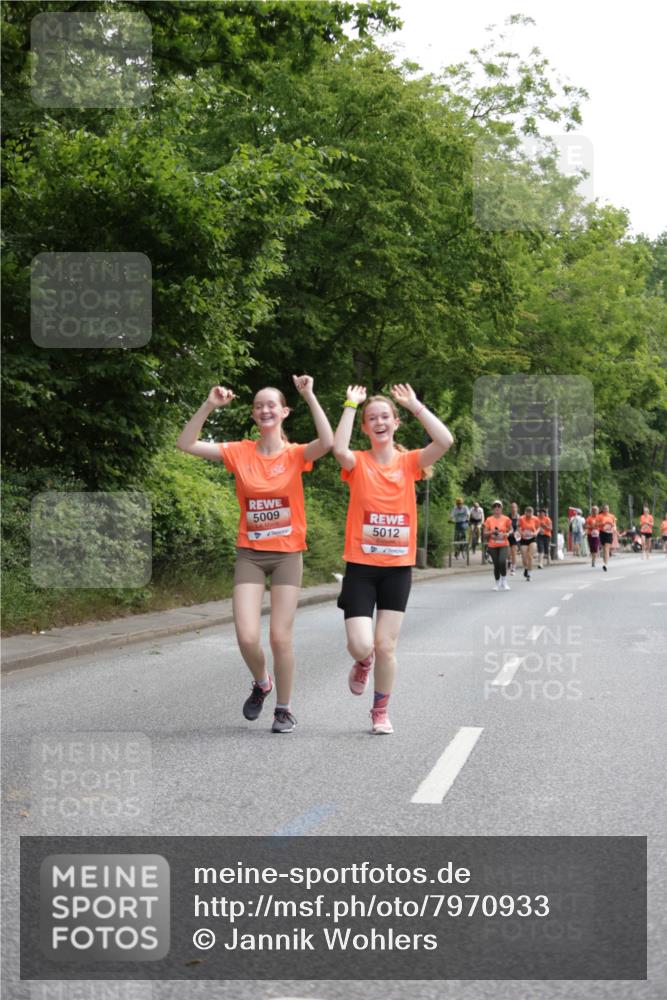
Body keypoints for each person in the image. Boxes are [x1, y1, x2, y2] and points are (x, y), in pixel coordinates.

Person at [176, 376, 333, 733]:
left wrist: (309, 394)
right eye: (259, 405)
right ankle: (262, 683)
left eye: (272, 405)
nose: (265, 410)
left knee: (280, 637)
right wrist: (209, 404)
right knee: (247, 636)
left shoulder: (294, 455)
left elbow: (327, 442)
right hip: (250, 552)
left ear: (283, 412)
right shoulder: (240, 451)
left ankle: (284, 708)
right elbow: (185, 443)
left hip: (287, 555)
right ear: (253, 414)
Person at [333, 383, 453, 735]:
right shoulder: (358, 462)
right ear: (366, 428)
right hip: (362, 566)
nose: (379, 422)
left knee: (387, 644)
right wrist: (351, 405)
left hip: (397, 570)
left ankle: (380, 711)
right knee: (362, 644)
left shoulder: (409, 463)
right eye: (372, 418)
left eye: (385, 416)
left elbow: (444, 441)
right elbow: (338, 448)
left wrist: (416, 404)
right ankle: (362, 661)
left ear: (396, 423)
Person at [483, 500, 513, 590]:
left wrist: (507, 534)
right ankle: (497, 583)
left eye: (498, 506)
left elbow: (511, 530)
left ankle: (504, 581)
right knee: (496, 565)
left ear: (501, 508)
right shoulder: (489, 519)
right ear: (492, 509)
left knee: (502, 561)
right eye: (495, 506)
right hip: (492, 545)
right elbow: (485, 533)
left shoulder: (506, 519)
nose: (497, 508)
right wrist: (493, 531)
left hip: (504, 543)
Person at [518, 505, 540, 581]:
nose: (529, 516)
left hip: (532, 539)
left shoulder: (535, 519)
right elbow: (518, 527)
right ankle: (526, 568)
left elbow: (538, 527)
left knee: (530, 556)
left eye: (531, 514)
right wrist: (521, 532)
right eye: (528, 514)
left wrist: (536, 533)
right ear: (525, 513)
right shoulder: (521, 518)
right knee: (524, 557)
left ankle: (529, 574)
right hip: (524, 539)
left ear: (532, 513)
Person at [598, 503, 617, 572]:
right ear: (603, 509)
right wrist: (602, 524)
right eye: (605, 508)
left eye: (607, 508)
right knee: (604, 549)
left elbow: (614, 524)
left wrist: (614, 528)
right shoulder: (599, 516)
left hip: (609, 533)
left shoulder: (612, 516)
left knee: (606, 548)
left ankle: (605, 564)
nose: (606, 510)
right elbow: (596, 524)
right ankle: (604, 562)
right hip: (602, 533)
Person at [507, 501, 520, 575]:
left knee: (514, 552)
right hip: (508, 535)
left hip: (516, 535)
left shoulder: (519, 517)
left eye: (515, 507)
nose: (513, 509)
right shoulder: (508, 517)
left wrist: (517, 533)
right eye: (512, 507)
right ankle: (509, 561)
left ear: (517, 508)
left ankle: (513, 568)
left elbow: (520, 527)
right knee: (508, 552)